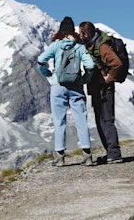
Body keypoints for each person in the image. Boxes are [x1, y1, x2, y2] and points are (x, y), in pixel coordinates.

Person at [37, 17, 95, 167]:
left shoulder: (56, 45)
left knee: (59, 121)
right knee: (81, 120)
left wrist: (48, 73)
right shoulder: (79, 46)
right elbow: (90, 66)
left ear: (61, 31)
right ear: (73, 31)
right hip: (76, 86)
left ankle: (60, 158)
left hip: (58, 85)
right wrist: (84, 79)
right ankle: (87, 156)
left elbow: (41, 61)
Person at [78, 21, 123, 164]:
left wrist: (108, 79)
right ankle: (110, 153)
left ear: (86, 33)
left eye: (80, 33)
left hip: (105, 90)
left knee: (107, 120)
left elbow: (117, 63)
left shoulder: (101, 46)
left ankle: (114, 153)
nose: (79, 36)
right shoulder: (91, 43)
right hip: (97, 89)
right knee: (100, 120)